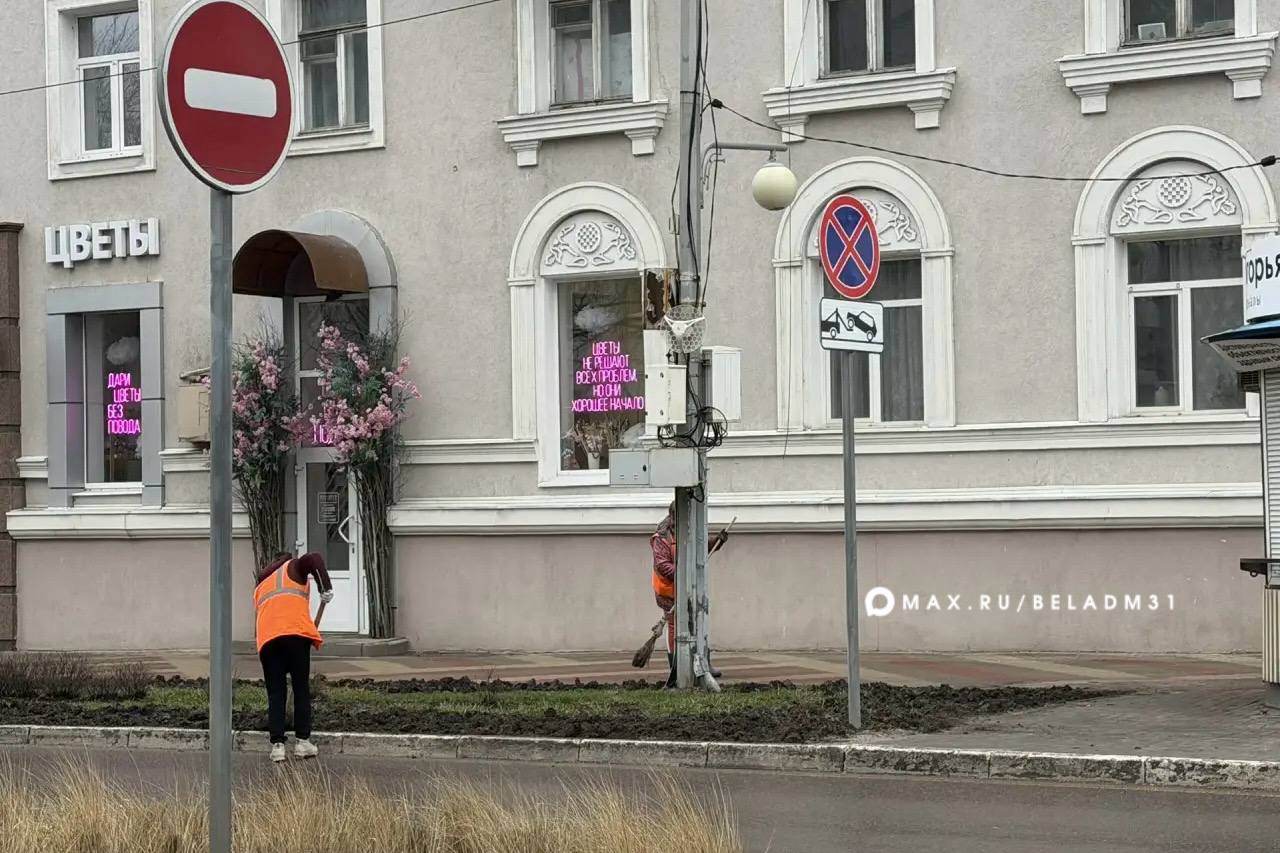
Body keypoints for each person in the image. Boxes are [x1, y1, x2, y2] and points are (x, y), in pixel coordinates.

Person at [254, 551, 333, 763]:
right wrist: (324, 586)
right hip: (295, 635)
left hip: (267, 640)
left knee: (276, 693)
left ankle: (277, 746)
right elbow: (314, 558)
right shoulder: (292, 566)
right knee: (300, 688)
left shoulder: (262, 583)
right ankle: (302, 742)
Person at [650, 504, 728, 687]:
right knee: (674, 625)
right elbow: (662, 565)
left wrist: (717, 541)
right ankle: (675, 666)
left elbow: (700, 550)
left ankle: (704, 664)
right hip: (669, 591)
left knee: (699, 623)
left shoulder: (689, 531)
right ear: (674, 517)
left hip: (690, 588)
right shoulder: (661, 538)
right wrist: (683, 572)